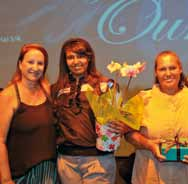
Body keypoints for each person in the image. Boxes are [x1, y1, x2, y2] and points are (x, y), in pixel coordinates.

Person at [51, 37, 130, 184]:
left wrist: (124, 126)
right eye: (70, 57)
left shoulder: (104, 84)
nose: (76, 61)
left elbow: (123, 118)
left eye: (80, 56)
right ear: (65, 61)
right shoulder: (56, 88)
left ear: (89, 58)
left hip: (98, 160)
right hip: (66, 160)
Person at [126, 50, 188, 184]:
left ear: (180, 69)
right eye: (162, 69)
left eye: (172, 68)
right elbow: (127, 133)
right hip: (151, 174)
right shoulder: (142, 98)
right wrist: (148, 144)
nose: (168, 73)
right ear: (156, 72)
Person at [0, 44, 57, 184]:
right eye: (30, 62)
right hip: (20, 175)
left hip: (50, 173)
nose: (35, 68)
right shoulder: (8, 95)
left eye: (40, 63)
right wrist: (6, 179)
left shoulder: (49, 92)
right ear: (20, 64)